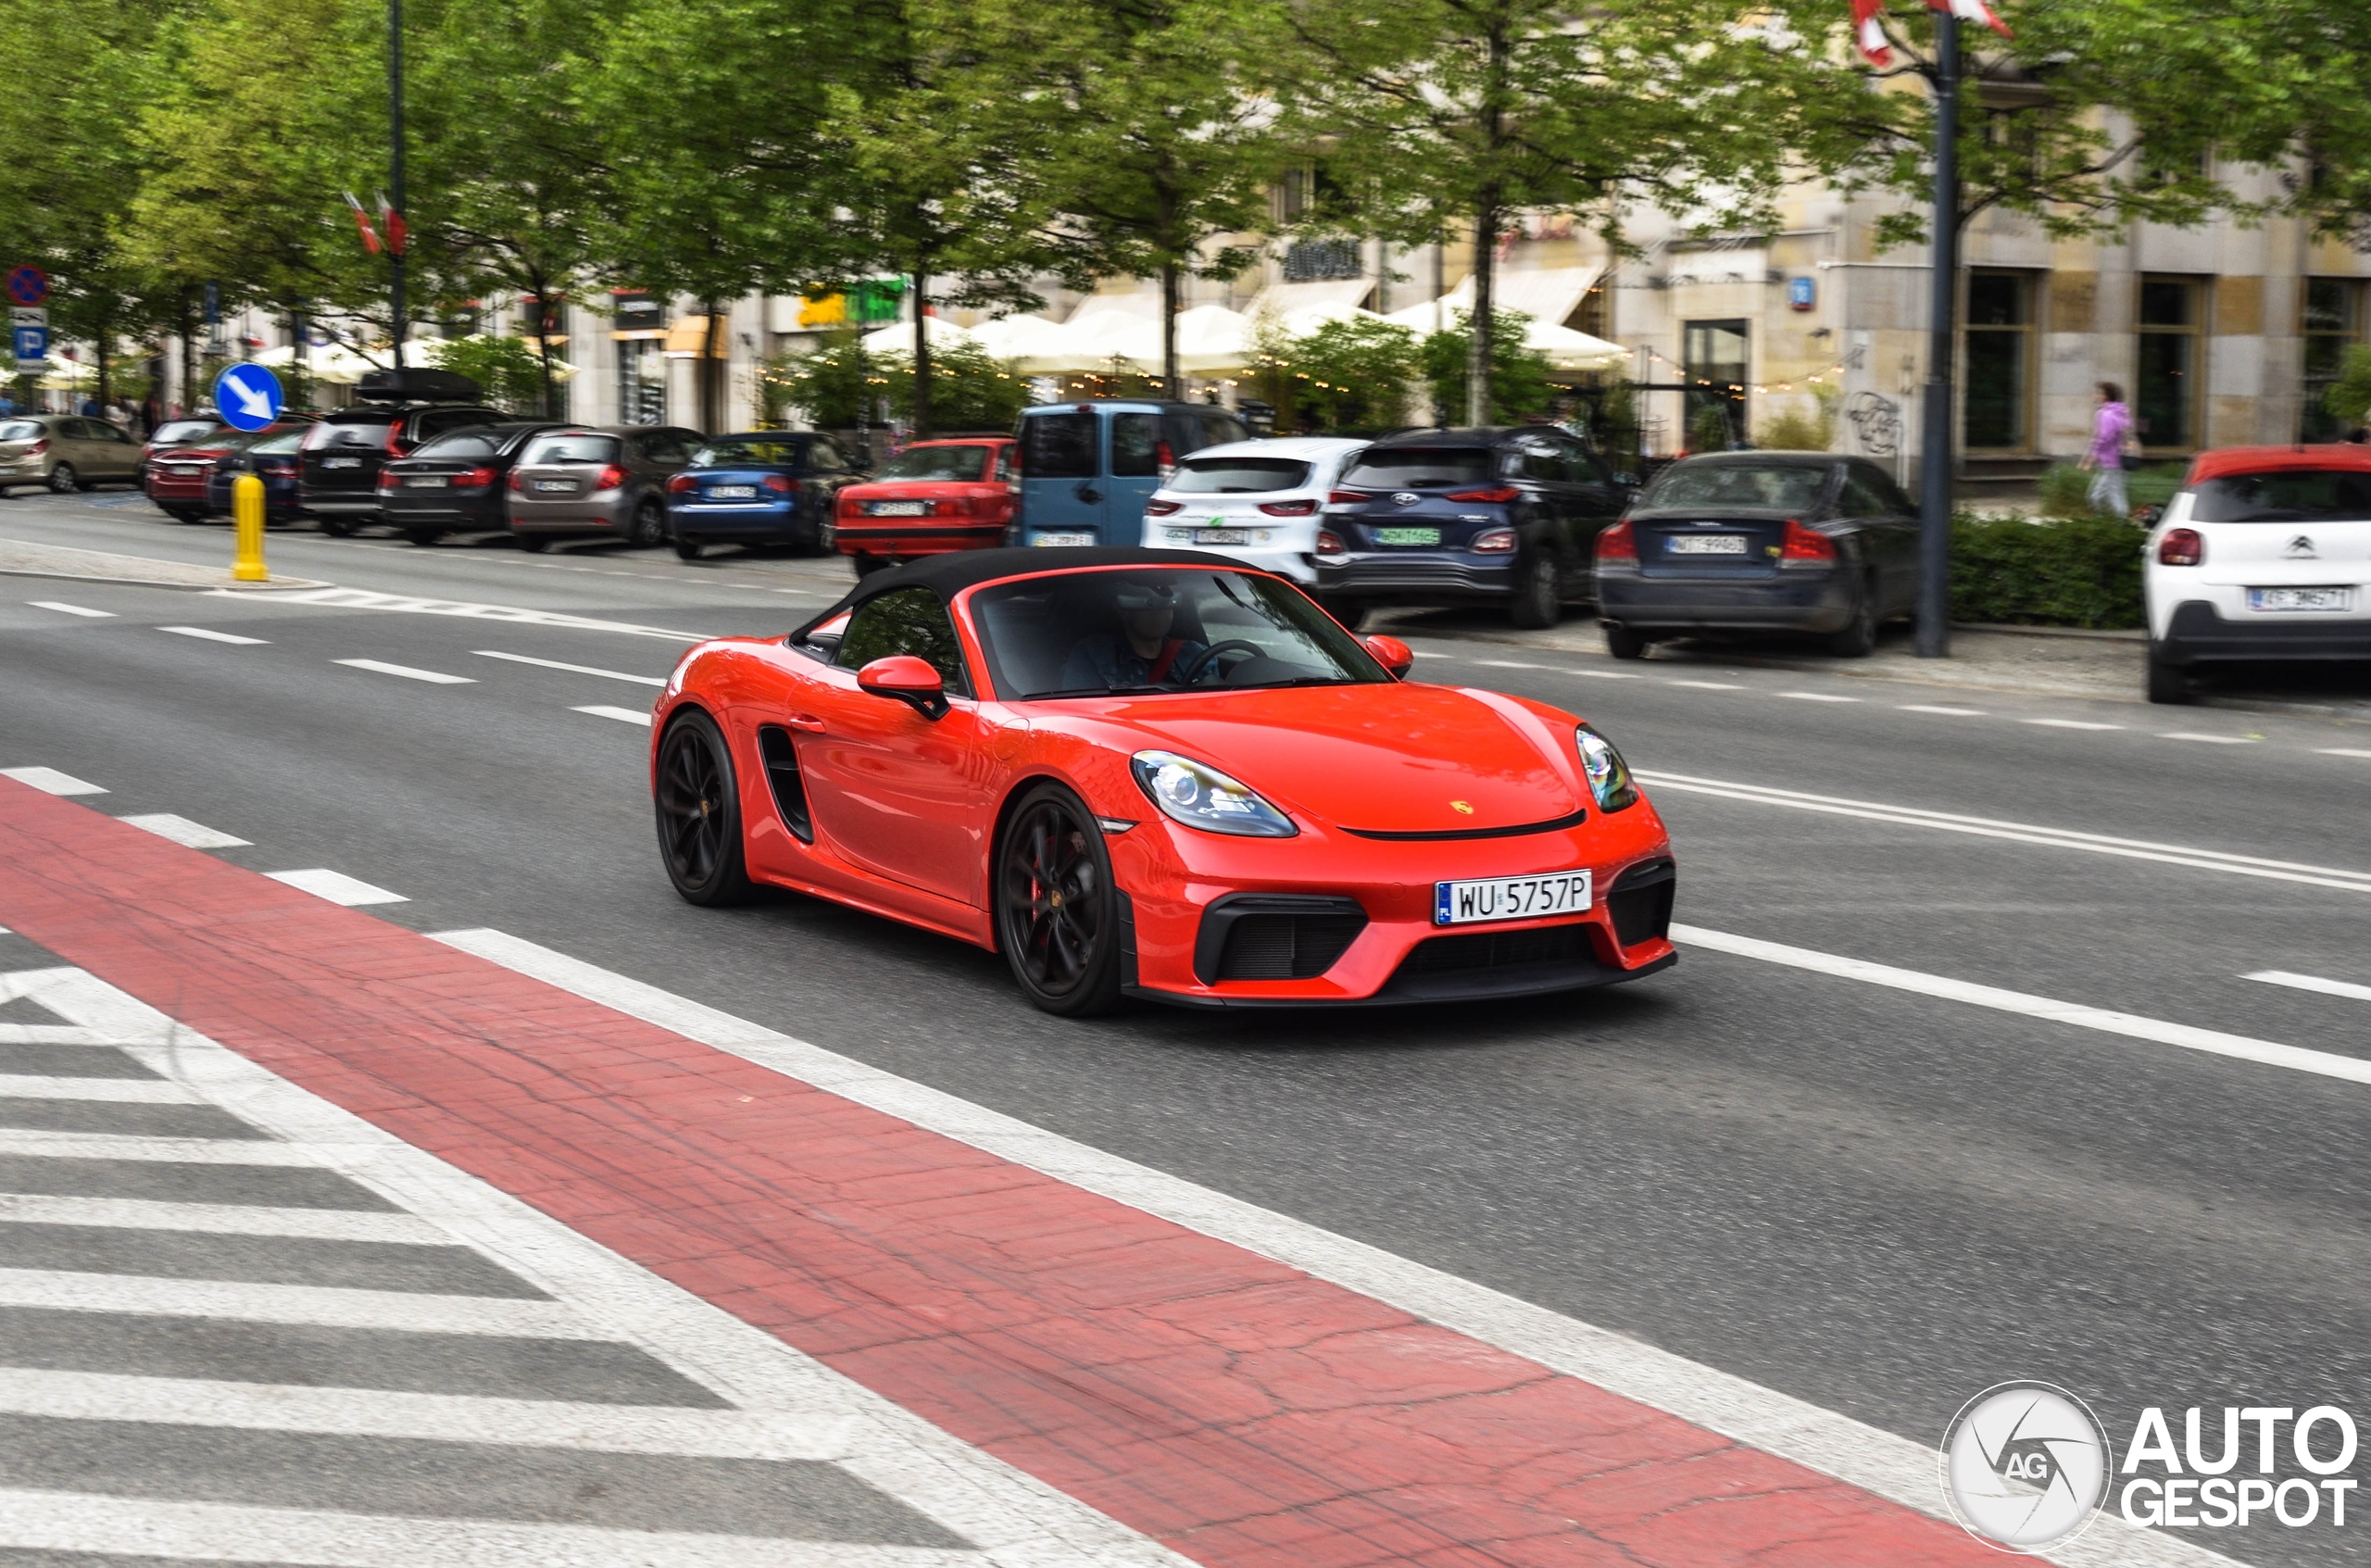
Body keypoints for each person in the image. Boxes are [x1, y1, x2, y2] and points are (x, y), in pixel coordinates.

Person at [1060, 580, 1206, 691]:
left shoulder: (1195, 654)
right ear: (1123, 610)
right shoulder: (1094, 655)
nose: (1158, 613)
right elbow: (1081, 713)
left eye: (1165, 604)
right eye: (1147, 604)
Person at [2078, 381, 2133, 518]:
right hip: (2118, 462)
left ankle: (2120, 528)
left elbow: (2103, 439)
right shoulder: (2121, 412)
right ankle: (2103, 526)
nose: (2094, 395)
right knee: (2094, 496)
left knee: (2116, 497)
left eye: (2097, 393)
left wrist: (2090, 460)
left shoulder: (2106, 414)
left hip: (2112, 463)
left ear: (2105, 396)